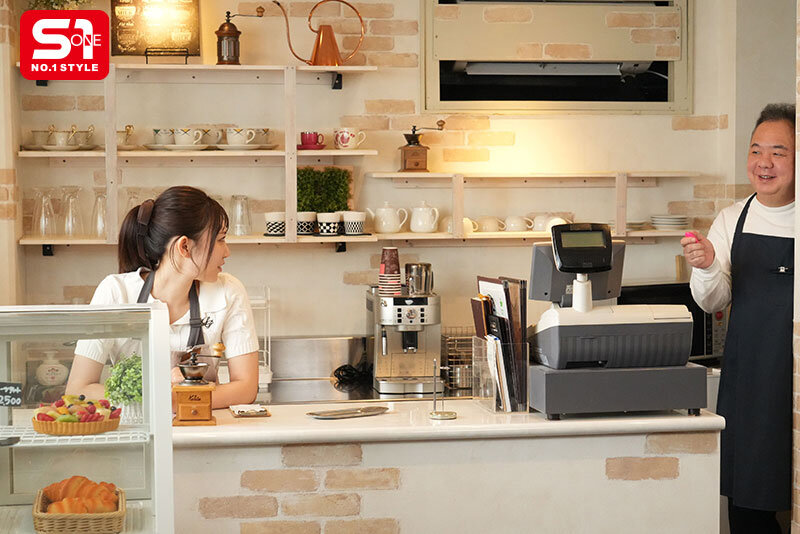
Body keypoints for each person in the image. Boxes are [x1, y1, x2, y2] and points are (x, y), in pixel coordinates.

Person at [682, 103, 795, 533]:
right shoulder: (731, 219)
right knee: (748, 511)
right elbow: (712, 300)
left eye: (779, 152)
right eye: (756, 150)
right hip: (751, 386)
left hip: (795, 382)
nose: (764, 163)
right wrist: (708, 264)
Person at [66, 186, 259, 409]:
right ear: (184, 246)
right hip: (137, 426)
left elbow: (246, 388)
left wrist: (173, 400)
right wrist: (167, 399)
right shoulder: (115, 292)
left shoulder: (228, 290)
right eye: (220, 240)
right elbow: (78, 389)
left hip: (204, 425)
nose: (227, 252)